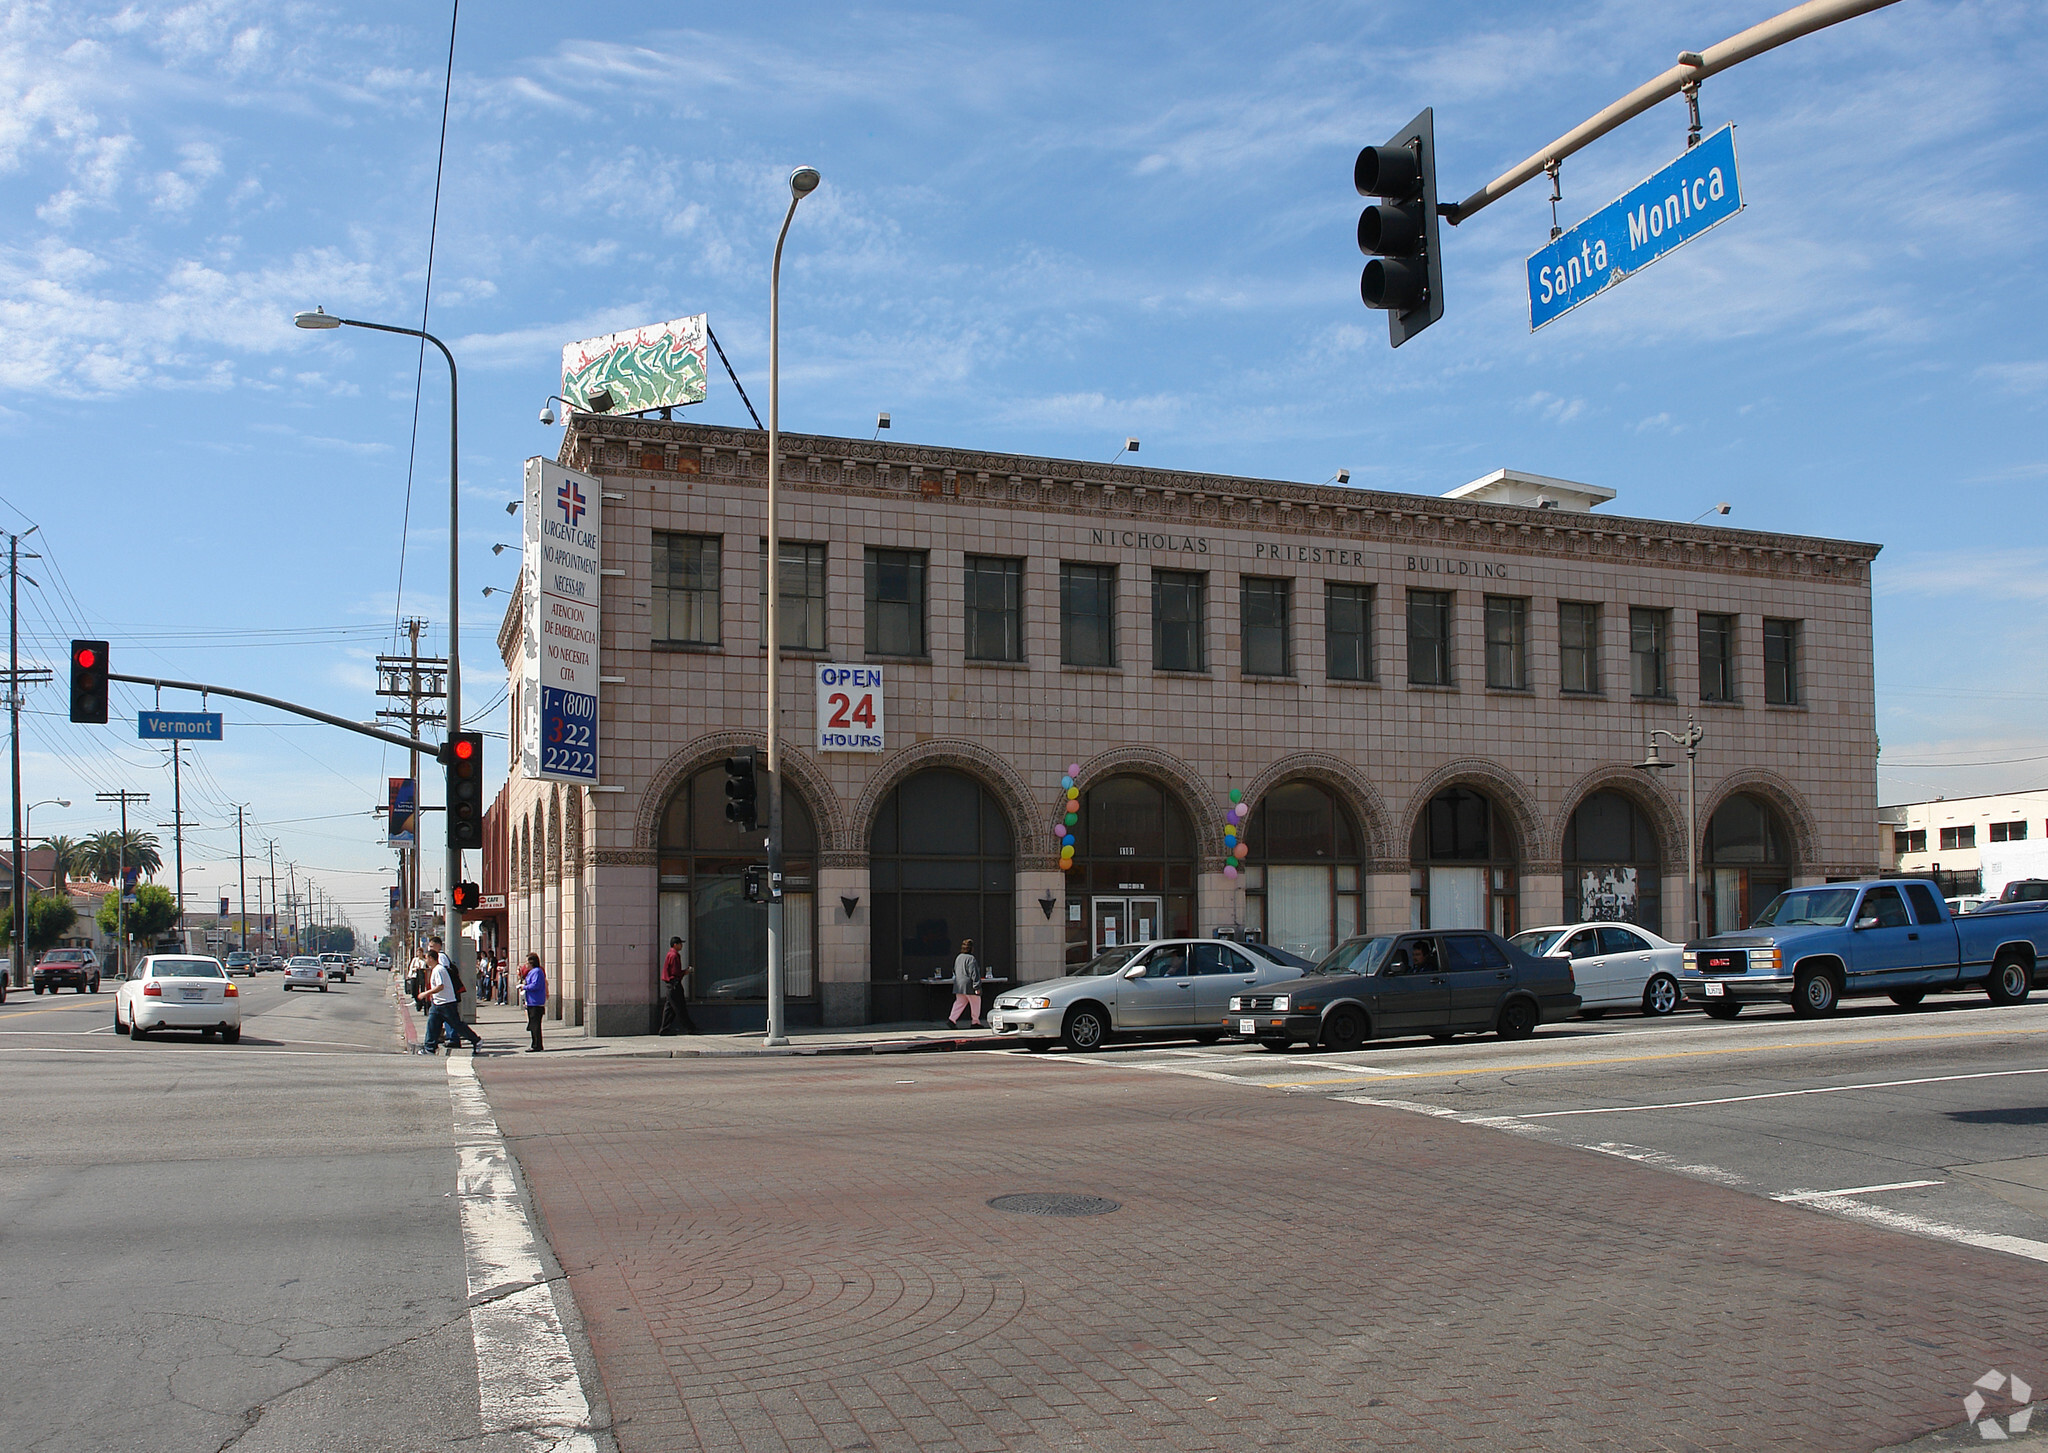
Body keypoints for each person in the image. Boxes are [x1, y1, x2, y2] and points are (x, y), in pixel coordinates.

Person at [415, 935, 482, 1055]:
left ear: (431, 958)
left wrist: (426, 993)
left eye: (426, 958)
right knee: (432, 1024)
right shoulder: (436, 969)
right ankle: (429, 1048)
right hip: (438, 1003)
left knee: (457, 1025)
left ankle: (476, 1040)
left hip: (446, 1003)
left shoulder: (439, 969)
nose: (425, 961)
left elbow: (440, 986)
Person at [659, 937, 697, 1035]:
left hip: (670, 985)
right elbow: (675, 972)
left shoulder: (669, 954)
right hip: (674, 984)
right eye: (680, 943)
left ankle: (664, 1029)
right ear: (675, 945)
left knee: (670, 1008)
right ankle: (690, 1028)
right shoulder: (674, 955)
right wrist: (686, 972)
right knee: (680, 1007)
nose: (682, 945)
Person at [947, 938, 983, 1029]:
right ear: (971, 948)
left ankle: (952, 1019)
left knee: (959, 1003)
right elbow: (974, 973)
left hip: (959, 985)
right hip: (969, 985)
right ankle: (975, 1021)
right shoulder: (971, 959)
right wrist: (977, 986)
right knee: (976, 1003)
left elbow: (954, 970)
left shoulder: (958, 957)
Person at [521, 953, 548, 1052]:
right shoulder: (532, 972)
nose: (525, 964)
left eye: (527, 962)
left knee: (535, 1024)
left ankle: (536, 1045)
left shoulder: (537, 972)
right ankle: (535, 1043)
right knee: (533, 1024)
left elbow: (535, 985)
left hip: (536, 1002)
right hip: (531, 1001)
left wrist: (524, 987)